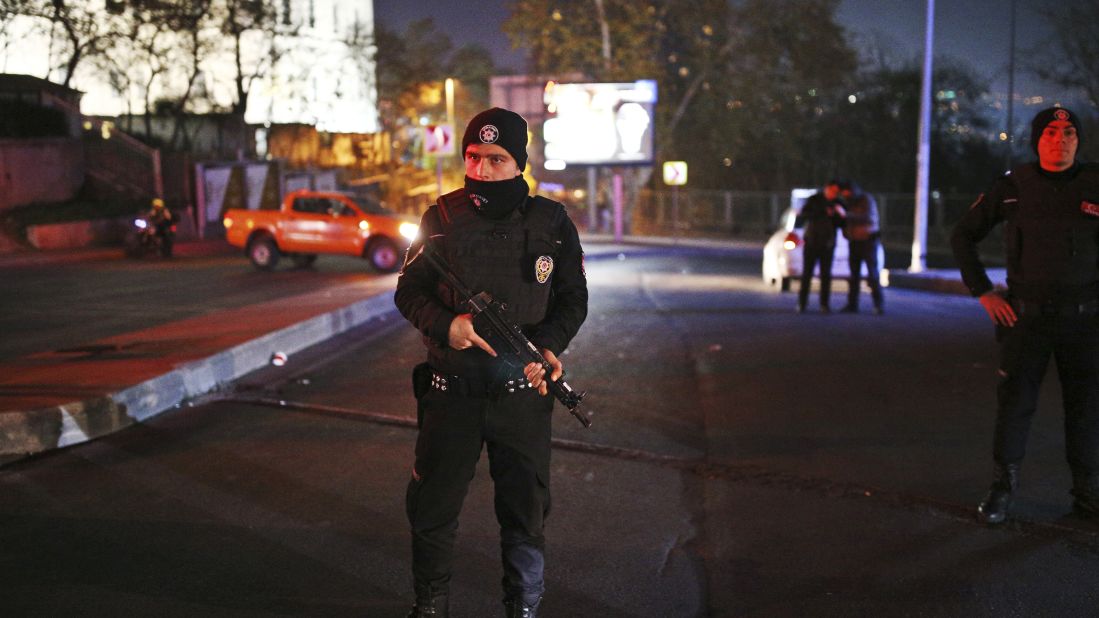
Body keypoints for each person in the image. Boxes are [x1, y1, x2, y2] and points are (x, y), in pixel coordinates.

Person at [394, 107, 589, 617]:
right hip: (450, 392)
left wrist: (548, 347)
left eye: (496, 159)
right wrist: (446, 327)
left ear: (518, 163)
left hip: (522, 397)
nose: (482, 169)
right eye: (474, 157)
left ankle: (523, 606)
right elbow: (408, 291)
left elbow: (573, 298)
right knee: (432, 511)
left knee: (525, 514)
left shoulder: (552, 221)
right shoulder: (439, 216)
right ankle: (430, 606)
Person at [951, 106, 1099, 525]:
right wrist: (984, 293)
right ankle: (1002, 490)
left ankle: (1087, 494)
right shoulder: (1013, 186)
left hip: (1086, 322)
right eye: (1051, 132)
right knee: (1015, 407)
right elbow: (962, 235)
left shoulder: (1095, 183)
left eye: (1070, 132)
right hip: (1025, 321)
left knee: (1086, 410)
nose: (1061, 139)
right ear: (1037, 140)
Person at [796, 179, 846, 313]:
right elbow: (803, 215)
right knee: (807, 274)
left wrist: (839, 215)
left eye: (837, 192)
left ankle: (824, 304)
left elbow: (842, 224)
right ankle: (802, 303)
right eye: (833, 191)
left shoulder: (838, 204)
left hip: (828, 243)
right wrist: (822, 212)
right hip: (812, 241)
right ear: (827, 188)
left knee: (826, 275)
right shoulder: (814, 200)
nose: (834, 194)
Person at [838, 180, 885, 314]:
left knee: (872, 274)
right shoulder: (849, 202)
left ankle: (878, 304)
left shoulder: (865, 199)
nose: (845, 195)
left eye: (847, 192)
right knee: (854, 275)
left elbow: (868, 217)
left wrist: (846, 215)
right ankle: (852, 304)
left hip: (867, 241)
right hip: (854, 241)